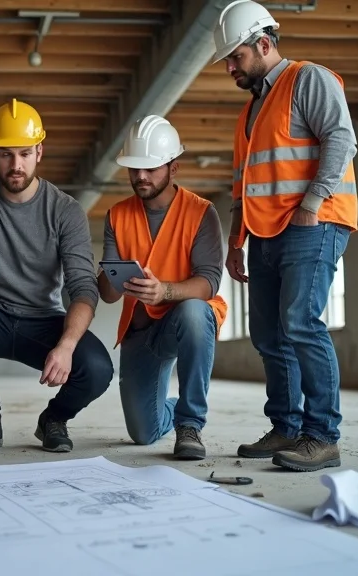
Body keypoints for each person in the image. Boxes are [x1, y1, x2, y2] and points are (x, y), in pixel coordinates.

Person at [211, 0, 358, 472]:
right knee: (268, 334)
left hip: (314, 223)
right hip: (266, 232)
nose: (230, 68)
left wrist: (312, 203)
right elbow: (244, 185)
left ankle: (322, 435)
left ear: (264, 43)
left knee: (301, 323)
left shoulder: (307, 79)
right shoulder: (250, 113)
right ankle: (286, 427)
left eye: (236, 57)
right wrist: (236, 240)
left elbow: (341, 138)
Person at [0, 98, 114, 456]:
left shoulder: (65, 210)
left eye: (25, 154)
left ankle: (54, 420)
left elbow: (83, 287)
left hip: (43, 323)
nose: (15, 165)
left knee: (97, 368)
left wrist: (65, 346)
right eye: (5, 154)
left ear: (39, 152)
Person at [99, 115, 228, 460]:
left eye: (151, 168)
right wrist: (109, 279)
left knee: (195, 311)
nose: (140, 176)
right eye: (133, 168)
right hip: (141, 333)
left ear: (173, 168)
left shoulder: (202, 213)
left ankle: (190, 424)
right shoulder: (117, 215)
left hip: (183, 322)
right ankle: (173, 408)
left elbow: (209, 282)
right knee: (143, 433)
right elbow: (109, 294)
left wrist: (165, 292)